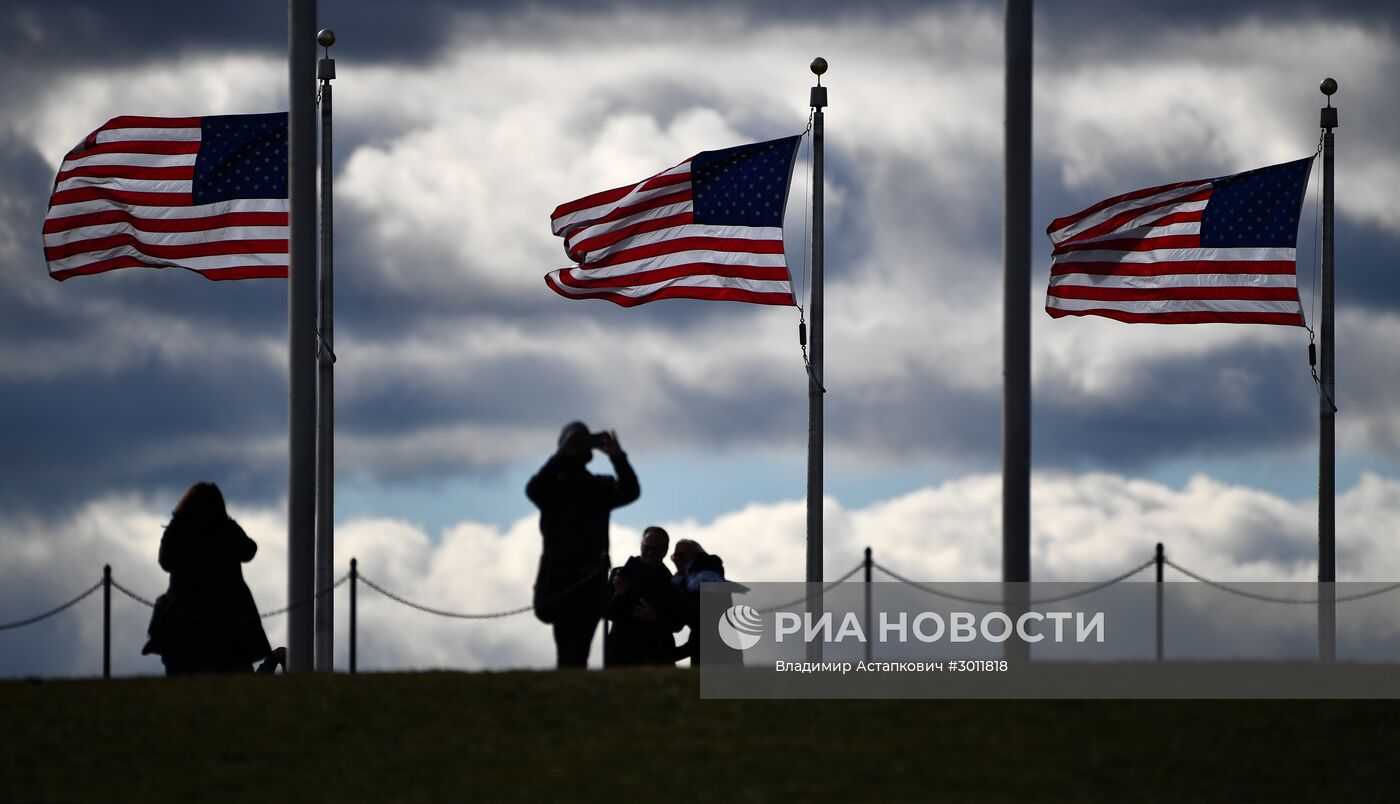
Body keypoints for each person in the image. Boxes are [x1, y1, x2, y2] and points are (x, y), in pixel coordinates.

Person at [526, 421, 640, 668]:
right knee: (570, 647)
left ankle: (574, 689)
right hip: (562, 576)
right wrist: (562, 455)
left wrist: (617, 457)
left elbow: (631, 490)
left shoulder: (599, 486)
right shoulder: (552, 489)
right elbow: (533, 489)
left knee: (579, 646)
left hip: (591, 576)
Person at [141, 482, 274, 675]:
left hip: (185, 616)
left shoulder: (179, 528)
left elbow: (165, 561)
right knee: (234, 675)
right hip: (227, 615)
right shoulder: (225, 529)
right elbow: (249, 550)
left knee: (184, 676)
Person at [605, 526, 682, 667]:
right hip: (620, 653)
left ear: (665, 550)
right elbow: (608, 612)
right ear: (641, 546)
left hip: (656, 655)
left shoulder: (672, 583)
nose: (650, 553)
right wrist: (619, 594)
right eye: (647, 547)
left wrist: (656, 618)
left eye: (656, 549)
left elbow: (678, 623)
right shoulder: (620, 575)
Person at [669, 539, 742, 666]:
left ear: (695, 555)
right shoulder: (684, 582)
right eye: (674, 556)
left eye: (680, 555)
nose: (676, 560)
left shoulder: (705, 580)